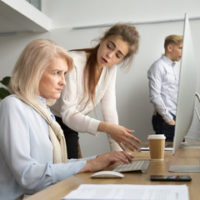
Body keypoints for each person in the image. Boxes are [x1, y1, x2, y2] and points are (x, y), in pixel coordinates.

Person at [0, 39, 134, 200]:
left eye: (64, 74)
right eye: (56, 73)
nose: (63, 82)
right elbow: (27, 176)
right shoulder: (13, 106)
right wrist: (87, 165)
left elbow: (54, 165)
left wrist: (99, 159)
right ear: (34, 71)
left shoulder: (43, 111)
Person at [51, 23, 141, 158]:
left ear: (122, 60)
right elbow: (68, 114)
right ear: (102, 40)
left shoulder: (110, 69)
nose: (110, 55)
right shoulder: (74, 62)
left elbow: (109, 110)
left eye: (118, 55)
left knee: (76, 171)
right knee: (65, 173)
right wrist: (106, 127)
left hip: (71, 124)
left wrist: (118, 152)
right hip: (51, 121)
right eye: (109, 46)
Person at [147, 34, 183, 141]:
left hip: (175, 116)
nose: (182, 52)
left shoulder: (175, 68)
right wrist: (169, 119)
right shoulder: (158, 66)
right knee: (168, 155)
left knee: (180, 153)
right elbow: (155, 96)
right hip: (165, 119)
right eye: (180, 48)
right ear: (170, 48)